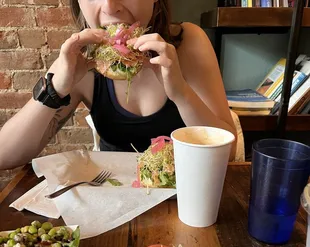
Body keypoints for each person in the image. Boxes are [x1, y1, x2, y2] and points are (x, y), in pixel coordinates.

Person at [0, 0, 237, 171]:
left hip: (185, 198)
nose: (110, 6)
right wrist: (56, 89)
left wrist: (181, 93)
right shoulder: (79, 59)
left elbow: (229, 153)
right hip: (114, 201)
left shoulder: (189, 41)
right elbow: (4, 157)